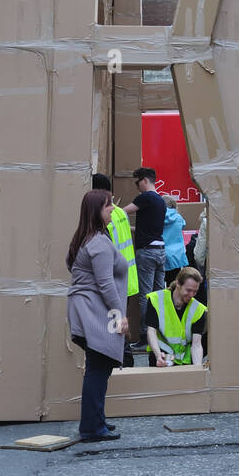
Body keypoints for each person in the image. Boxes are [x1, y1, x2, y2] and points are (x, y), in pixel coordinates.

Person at [66, 188, 128, 442]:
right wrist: (119, 314)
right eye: (108, 206)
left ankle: (96, 421)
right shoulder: (99, 244)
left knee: (98, 367)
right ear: (96, 211)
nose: (113, 209)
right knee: (98, 369)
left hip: (88, 308)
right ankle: (92, 428)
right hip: (96, 311)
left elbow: (72, 266)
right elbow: (105, 283)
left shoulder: (86, 238)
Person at [118, 168, 166, 349]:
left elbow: (121, 213)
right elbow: (147, 229)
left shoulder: (145, 197)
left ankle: (146, 335)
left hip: (146, 253)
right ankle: (160, 334)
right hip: (161, 251)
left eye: (136, 183)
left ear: (144, 180)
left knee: (145, 297)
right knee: (160, 296)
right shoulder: (160, 200)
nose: (136, 187)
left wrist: (109, 209)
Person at [93, 173, 137, 368]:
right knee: (118, 323)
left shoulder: (104, 215)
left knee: (114, 325)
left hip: (112, 281)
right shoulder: (120, 212)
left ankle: (123, 362)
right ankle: (125, 361)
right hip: (126, 278)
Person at [144, 267, 207, 366]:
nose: (192, 295)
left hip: (183, 358)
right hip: (162, 353)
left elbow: (197, 344)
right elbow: (151, 331)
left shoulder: (198, 309)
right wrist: (158, 356)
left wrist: (197, 369)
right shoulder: (156, 299)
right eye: (188, 290)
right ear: (178, 284)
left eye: (195, 291)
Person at [161, 196, 189, 289]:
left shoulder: (158, 217)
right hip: (177, 256)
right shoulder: (179, 218)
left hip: (162, 253)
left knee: (159, 284)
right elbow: (183, 225)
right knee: (173, 284)